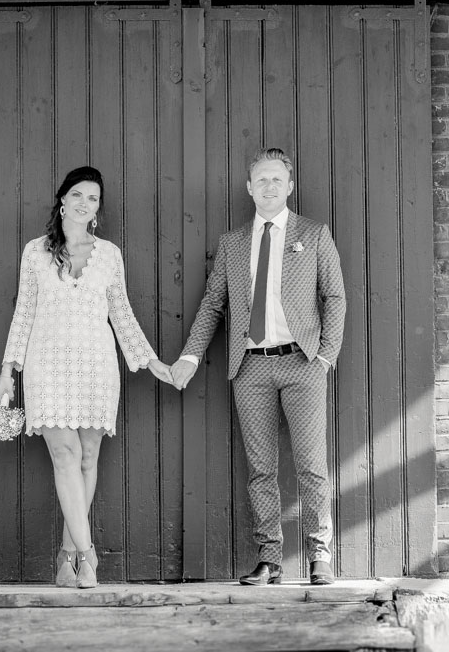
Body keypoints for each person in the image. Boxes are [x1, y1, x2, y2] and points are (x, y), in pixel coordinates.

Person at [170, 148, 346, 585]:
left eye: (276, 179)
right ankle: (269, 560)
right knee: (260, 469)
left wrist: (326, 356)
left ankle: (319, 554)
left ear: (289, 187)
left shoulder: (314, 233)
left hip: (302, 362)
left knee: (310, 465)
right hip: (249, 369)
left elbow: (335, 297)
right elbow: (213, 303)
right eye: (260, 179)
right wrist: (190, 355)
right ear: (249, 188)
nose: (268, 186)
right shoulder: (232, 243)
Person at [0, 166, 172, 589]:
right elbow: (24, 313)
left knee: (88, 459)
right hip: (47, 364)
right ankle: (89, 555)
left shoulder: (109, 254)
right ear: (62, 200)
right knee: (64, 454)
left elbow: (122, 313)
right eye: (77, 194)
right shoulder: (35, 252)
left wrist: (153, 362)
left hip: (96, 364)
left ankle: (66, 556)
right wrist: (8, 371)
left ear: (98, 208)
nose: (84, 203)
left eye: (93, 198)